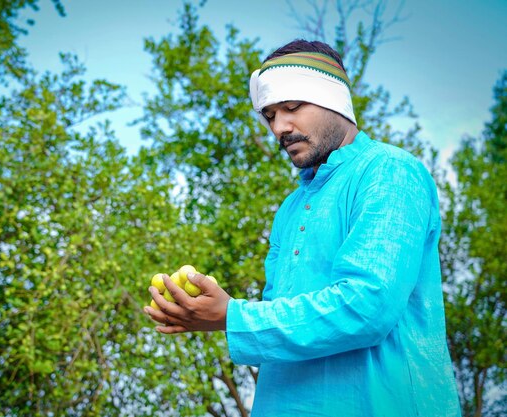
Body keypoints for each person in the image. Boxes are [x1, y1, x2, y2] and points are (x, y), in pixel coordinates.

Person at [143, 39, 461, 416]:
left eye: (292, 107)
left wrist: (231, 316)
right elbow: (283, 316)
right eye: (270, 115)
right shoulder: (290, 209)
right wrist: (210, 312)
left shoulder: (389, 171)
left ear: (334, 101)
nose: (280, 127)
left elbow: (368, 306)